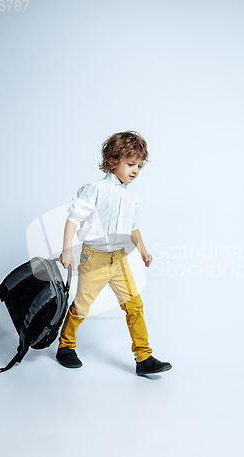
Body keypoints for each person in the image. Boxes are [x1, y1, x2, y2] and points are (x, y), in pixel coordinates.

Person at [56, 130, 172, 375]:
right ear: (112, 161)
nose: (135, 170)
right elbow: (73, 219)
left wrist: (143, 251)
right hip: (94, 258)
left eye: (139, 165)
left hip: (120, 260)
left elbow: (133, 227)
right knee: (82, 306)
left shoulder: (133, 198)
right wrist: (67, 250)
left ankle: (144, 359)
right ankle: (66, 346)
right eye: (130, 164)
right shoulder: (94, 190)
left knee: (135, 306)